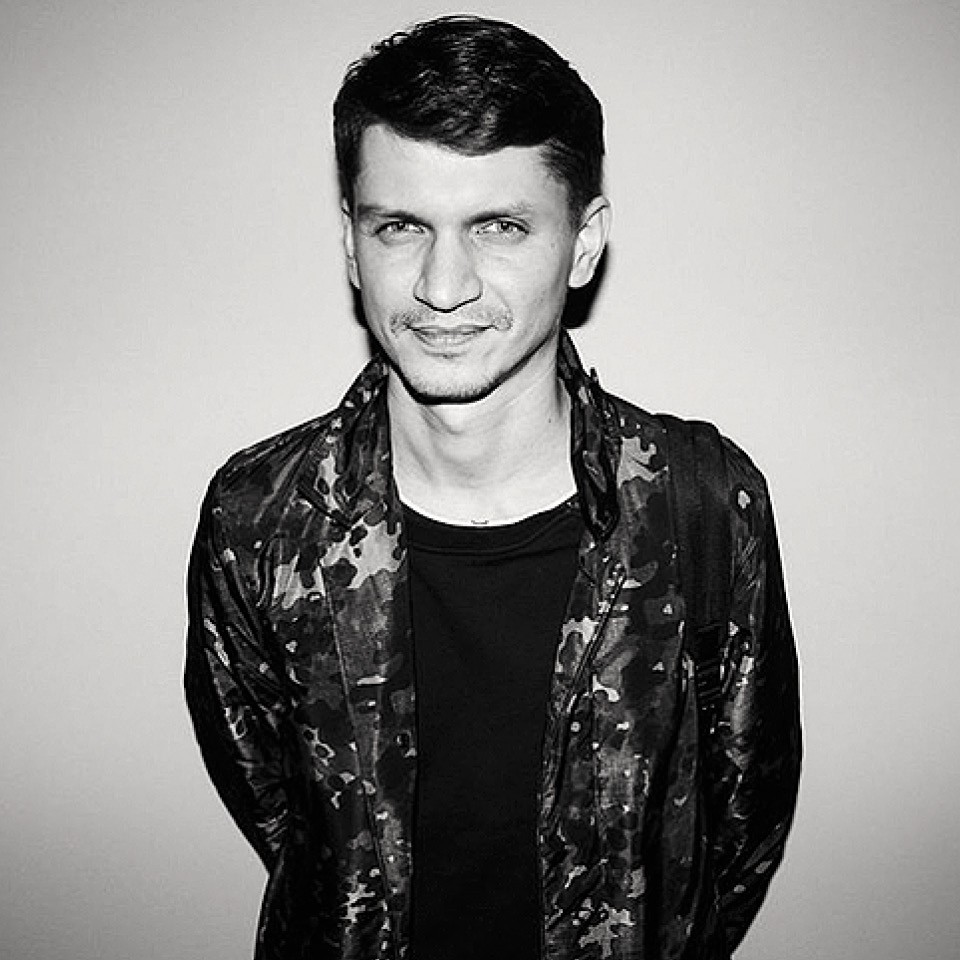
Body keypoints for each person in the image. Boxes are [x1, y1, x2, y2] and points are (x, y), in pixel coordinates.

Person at [185, 14, 801, 960]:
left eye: (500, 227)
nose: (442, 286)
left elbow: (742, 827)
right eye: (401, 227)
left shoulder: (703, 505)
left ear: (583, 243)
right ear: (351, 245)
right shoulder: (260, 518)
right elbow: (283, 816)